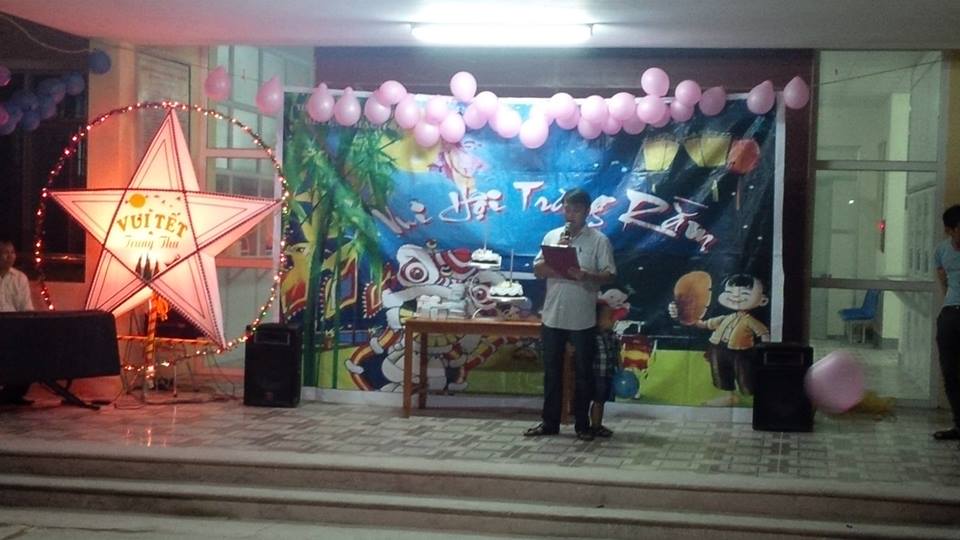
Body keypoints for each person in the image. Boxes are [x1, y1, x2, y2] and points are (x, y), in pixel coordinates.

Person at [525, 189, 616, 441]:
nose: (570, 214)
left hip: (582, 317)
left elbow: (610, 275)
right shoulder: (553, 236)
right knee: (551, 372)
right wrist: (557, 260)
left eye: (576, 210)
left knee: (583, 373)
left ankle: (582, 425)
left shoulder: (599, 240)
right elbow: (537, 269)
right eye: (567, 209)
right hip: (553, 314)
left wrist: (586, 275)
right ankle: (549, 423)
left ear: (587, 211)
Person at [670, 273, 769, 406]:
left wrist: (764, 351)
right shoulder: (725, 318)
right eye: (729, 292)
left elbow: (763, 333)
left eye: (744, 294)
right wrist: (682, 316)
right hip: (719, 349)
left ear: (763, 300)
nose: (735, 296)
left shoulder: (750, 321)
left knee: (744, 375)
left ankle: (753, 397)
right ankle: (729, 396)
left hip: (741, 352)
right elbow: (704, 324)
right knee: (722, 374)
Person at [933, 204, 960, 441]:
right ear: (949, 230)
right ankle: (958, 424)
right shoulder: (942, 250)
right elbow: (943, 281)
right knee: (950, 372)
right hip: (951, 314)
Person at [0, 237, 35, 405]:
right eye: (5, 253)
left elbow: (26, 308)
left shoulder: (20, 278)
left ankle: (14, 393)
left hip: (13, 327)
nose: (10, 256)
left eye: (12, 252)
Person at [591, 297, 620, 438]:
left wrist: (620, 367)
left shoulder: (612, 335)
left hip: (608, 372)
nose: (613, 320)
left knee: (602, 400)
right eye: (609, 318)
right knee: (598, 399)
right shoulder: (592, 336)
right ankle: (595, 426)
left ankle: (598, 425)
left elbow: (617, 352)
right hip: (597, 374)